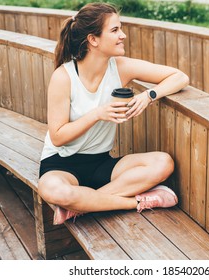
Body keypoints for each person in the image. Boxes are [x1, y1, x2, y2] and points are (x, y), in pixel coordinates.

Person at [37, 2, 189, 225]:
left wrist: (149, 96)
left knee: (163, 162)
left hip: (101, 164)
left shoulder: (120, 67)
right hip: (62, 164)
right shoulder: (64, 77)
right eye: (115, 30)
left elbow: (180, 77)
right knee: (58, 193)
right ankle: (136, 202)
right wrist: (98, 114)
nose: (123, 35)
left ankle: (83, 206)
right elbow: (58, 136)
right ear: (93, 39)